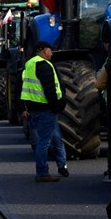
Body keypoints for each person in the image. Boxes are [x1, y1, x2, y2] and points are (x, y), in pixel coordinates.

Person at [19, 41, 68, 182]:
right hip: (46, 108)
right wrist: (57, 106)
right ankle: (42, 172)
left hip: (34, 109)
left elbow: (23, 88)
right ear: (43, 50)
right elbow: (50, 88)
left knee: (47, 140)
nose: (51, 53)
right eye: (50, 50)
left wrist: (24, 107)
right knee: (45, 142)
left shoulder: (29, 64)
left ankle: (60, 165)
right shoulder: (44, 65)